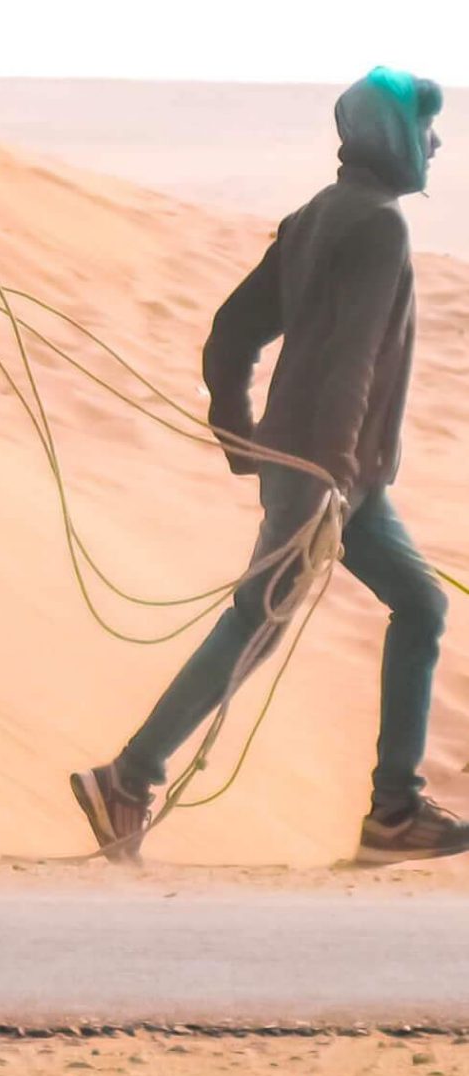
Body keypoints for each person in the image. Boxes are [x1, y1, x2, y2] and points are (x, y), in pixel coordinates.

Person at [71, 68, 469, 867]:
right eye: (423, 128)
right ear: (392, 137)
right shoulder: (380, 226)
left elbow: (231, 331)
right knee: (256, 618)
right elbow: (352, 362)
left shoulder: (315, 215)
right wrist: (324, 474)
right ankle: (129, 776)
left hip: (329, 469)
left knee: (420, 607)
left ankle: (394, 809)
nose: (434, 143)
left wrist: (241, 433)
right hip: (331, 470)